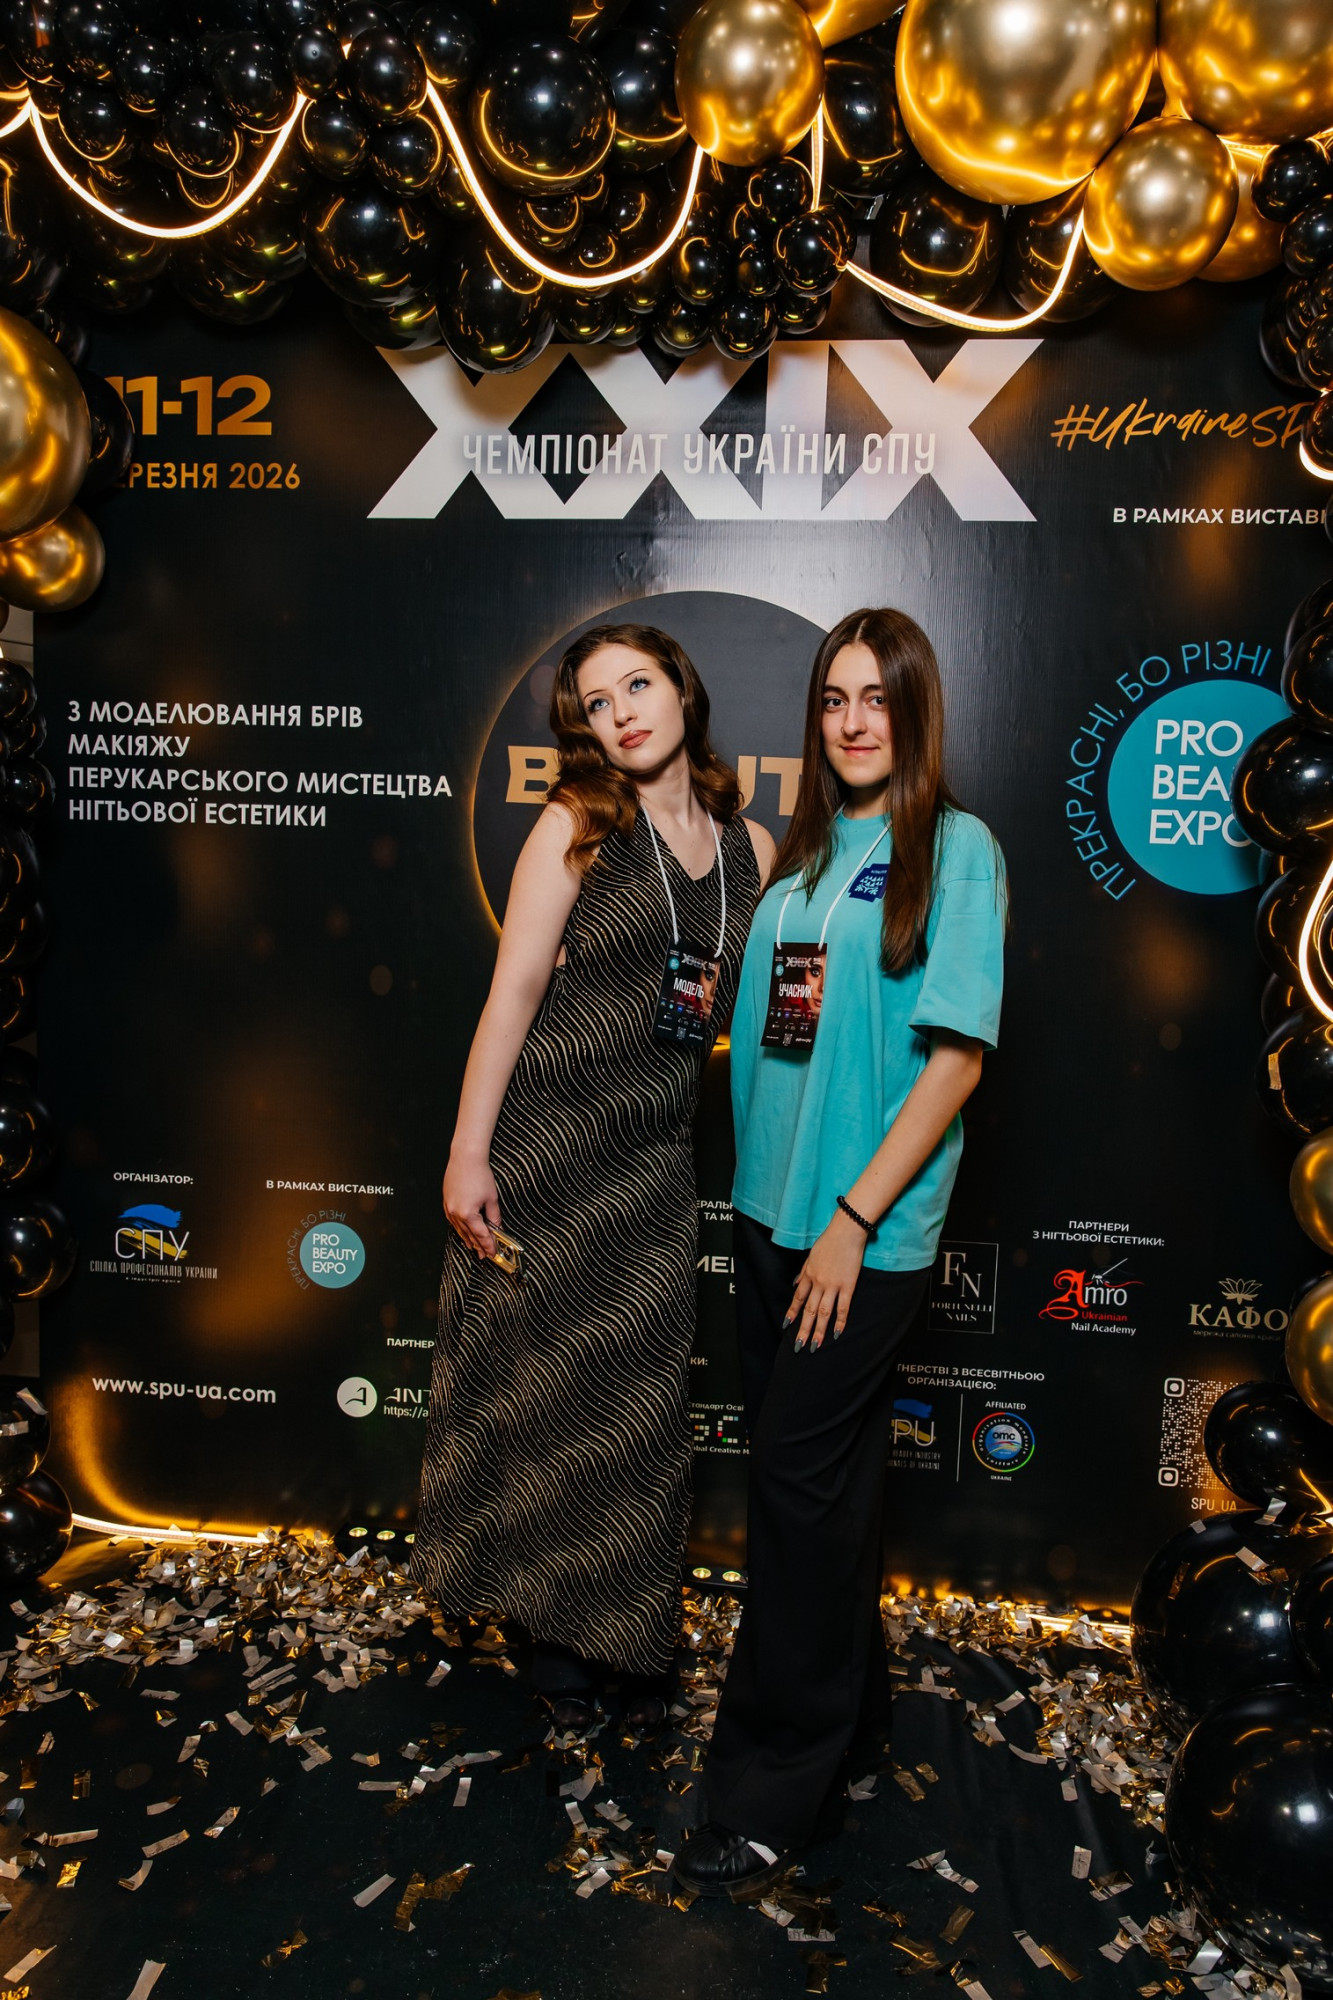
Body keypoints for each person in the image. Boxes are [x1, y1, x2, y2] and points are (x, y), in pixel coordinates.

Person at [674, 607, 1006, 1892]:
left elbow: (955, 1060)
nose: (854, 721)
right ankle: (855, 1720)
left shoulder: (956, 850)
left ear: (914, 711)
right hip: (769, 1212)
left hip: (859, 1231)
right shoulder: (805, 851)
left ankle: (772, 1787)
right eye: (833, 699)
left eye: (877, 697)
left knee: (794, 1498)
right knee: (829, 1485)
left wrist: (855, 1223)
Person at [415, 623, 775, 1733]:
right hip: (550, 1143)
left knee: (638, 1409)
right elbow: (514, 994)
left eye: (638, 684)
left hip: (656, 1156)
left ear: (682, 689)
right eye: (598, 701)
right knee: (550, 1395)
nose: (622, 712)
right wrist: (468, 1152)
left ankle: (627, 1634)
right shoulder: (576, 823)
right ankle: (555, 1641)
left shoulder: (751, 844)